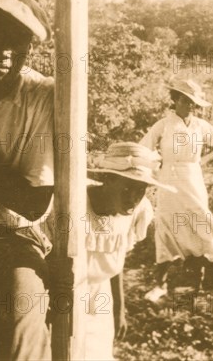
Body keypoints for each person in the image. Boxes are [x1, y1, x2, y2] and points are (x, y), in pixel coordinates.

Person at [0, 0, 54, 360]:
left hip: (12, 237)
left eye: (18, 39)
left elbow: (33, 203)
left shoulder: (42, 97)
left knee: (25, 312)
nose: (4, 50)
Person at [72, 142, 176, 361]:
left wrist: (119, 308)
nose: (133, 198)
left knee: (97, 354)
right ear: (108, 180)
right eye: (127, 188)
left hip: (101, 297)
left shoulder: (139, 210)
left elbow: (117, 260)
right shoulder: (75, 203)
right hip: (67, 294)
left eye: (140, 191)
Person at [141, 79, 213, 302]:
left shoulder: (200, 126)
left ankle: (197, 285)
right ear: (175, 100)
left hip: (193, 179)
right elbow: (145, 148)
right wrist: (157, 164)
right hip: (168, 180)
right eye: (185, 101)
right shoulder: (163, 125)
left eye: (193, 104)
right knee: (166, 226)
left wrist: (201, 161)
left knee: (198, 225)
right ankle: (160, 285)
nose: (190, 107)